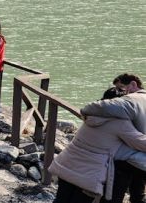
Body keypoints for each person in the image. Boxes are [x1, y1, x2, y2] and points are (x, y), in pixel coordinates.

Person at [50, 81, 146, 203]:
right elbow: (140, 143)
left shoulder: (91, 116)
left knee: (61, 200)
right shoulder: (119, 123)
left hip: (67, 165)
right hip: (88, 175)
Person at [80, 74, 146, 202]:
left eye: (122, 87)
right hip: (136, 157)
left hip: (127, 158)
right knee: (137, 190)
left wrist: (85, 110)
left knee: (116, 193)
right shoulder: (139, 101)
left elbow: (100, 107)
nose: (123, 92)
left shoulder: (130, 102)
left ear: (133, 85)